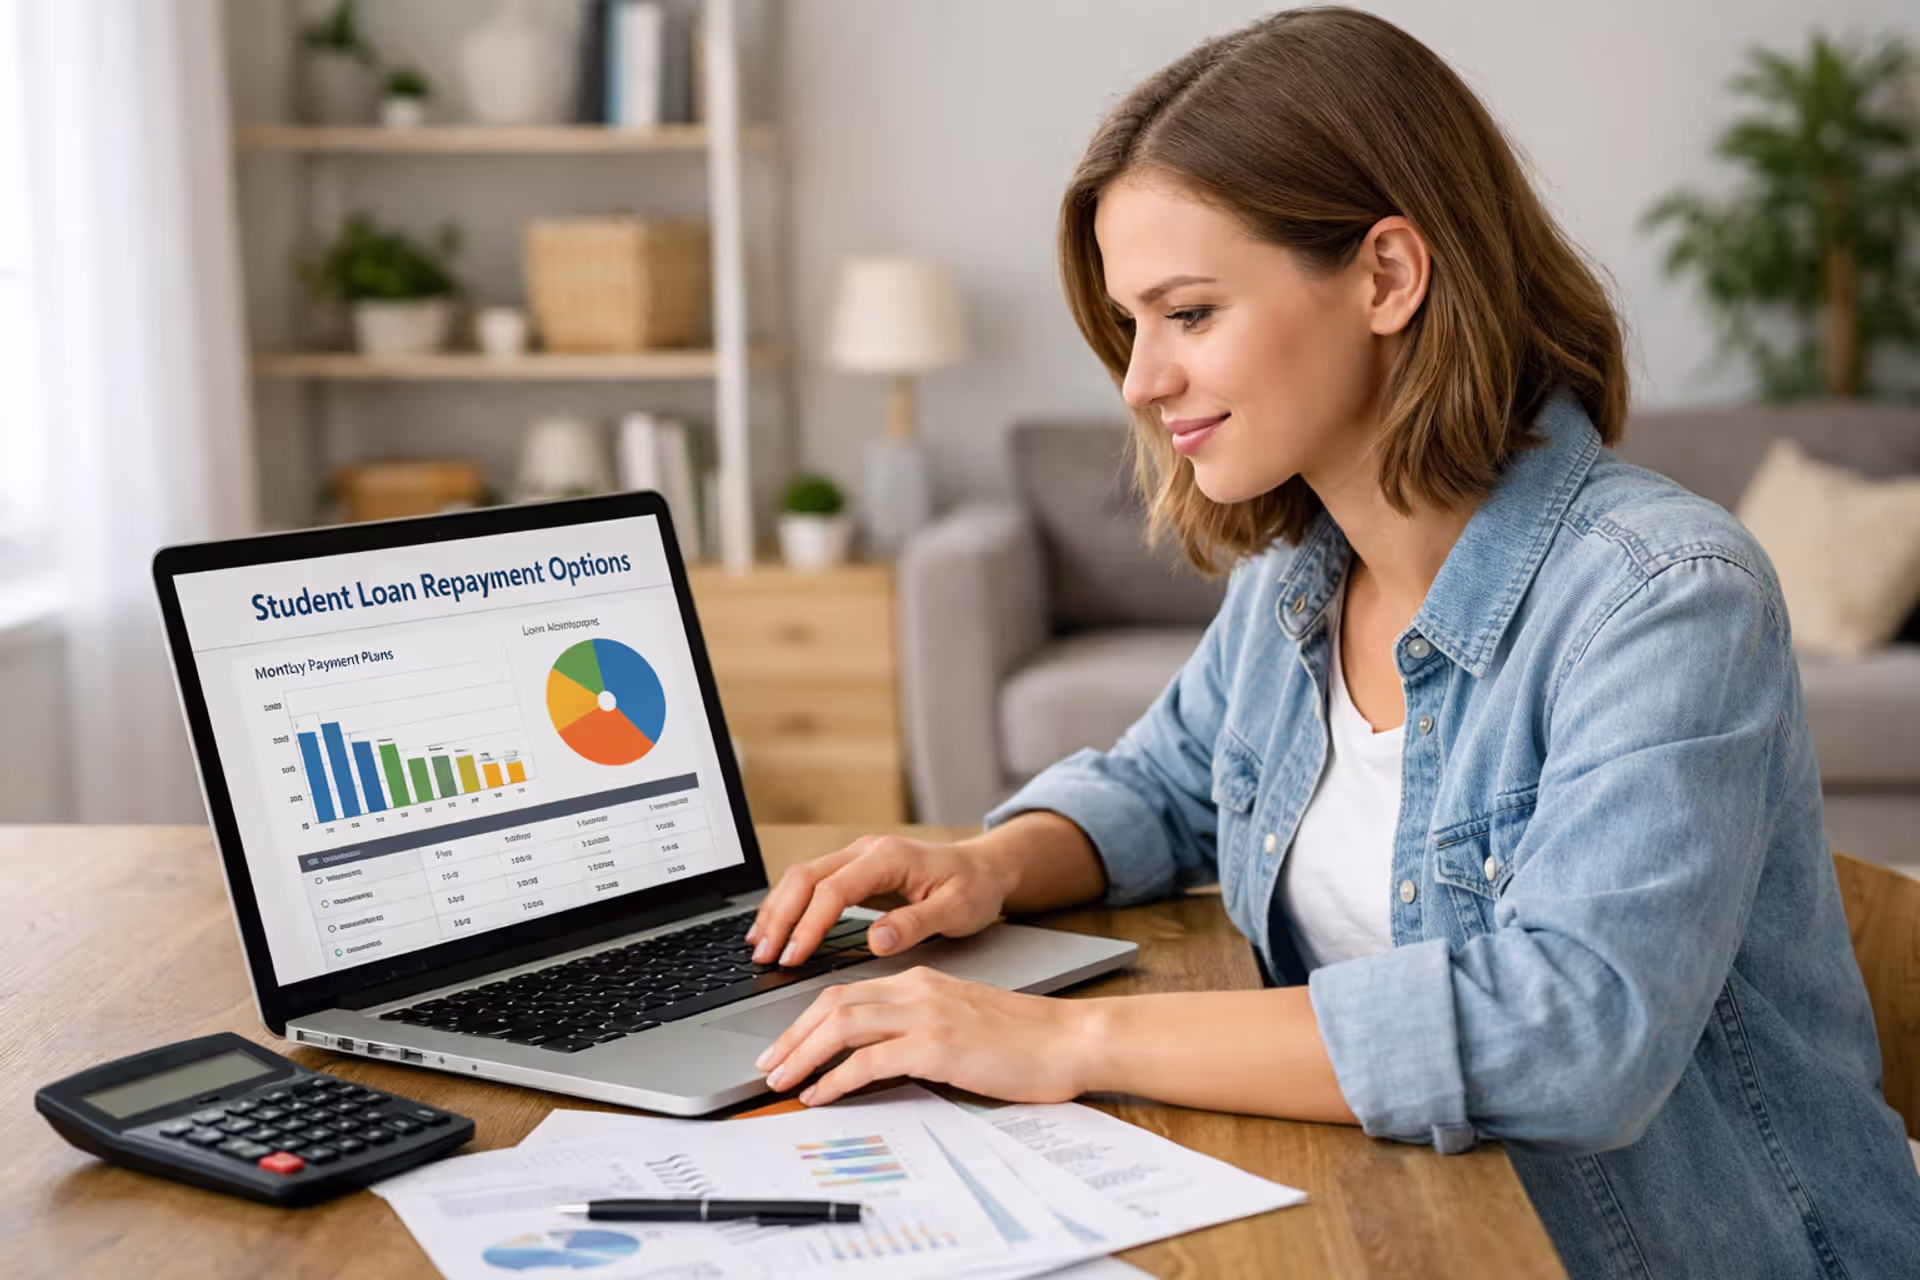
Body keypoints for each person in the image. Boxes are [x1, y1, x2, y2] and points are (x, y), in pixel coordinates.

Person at [744, 8, 1920, 1276]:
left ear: (1388, 276)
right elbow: (1167, 782)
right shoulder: (1301, 575)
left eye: (1188, 311)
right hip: (1420, 1221)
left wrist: (1062, 1044)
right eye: (1132, 325)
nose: (1140, 380)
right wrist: (986, 863)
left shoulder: (1664, 597)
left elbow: (1575, 1029)